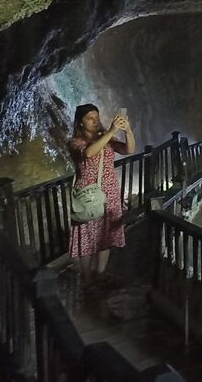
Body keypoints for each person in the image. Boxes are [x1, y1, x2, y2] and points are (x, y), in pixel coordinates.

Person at [68, 104, 136, 284]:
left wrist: (127, 130)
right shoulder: (75, 142)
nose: (95, 120)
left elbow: (128, 150)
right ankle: (87, 278)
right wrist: (111, 131)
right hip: (88, 197)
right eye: (90, 118)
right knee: (87, 239)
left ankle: (99, 275)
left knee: (105, 236)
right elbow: (90, 153)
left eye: (96, 116)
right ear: (80, 123)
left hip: (109, 194)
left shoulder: (106, 139)